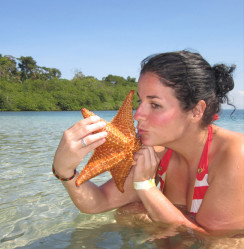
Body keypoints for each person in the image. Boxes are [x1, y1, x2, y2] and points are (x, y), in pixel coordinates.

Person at [52, 50, 244, 235]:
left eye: (155, 105)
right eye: (141, 102)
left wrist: (145, 186)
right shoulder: (156, 152)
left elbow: (216, 240)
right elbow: (99, 202)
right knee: (129, 212)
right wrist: (64, 171)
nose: (138, 115)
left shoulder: (235, 155)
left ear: (196, 111)